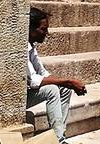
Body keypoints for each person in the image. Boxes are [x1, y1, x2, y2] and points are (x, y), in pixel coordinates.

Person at [28, 8, 87, 143]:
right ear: (31, 29)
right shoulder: (22, 48)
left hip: (28, 91)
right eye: (43, 29)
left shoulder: (31, 47)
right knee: (52, 90)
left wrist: (67, 83)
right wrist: (67, 81)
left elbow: (42, 73)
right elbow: (33, 80)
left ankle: (60, 133)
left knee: (65, 89)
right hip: (18, 98)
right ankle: (59, 140)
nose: (46, 33)